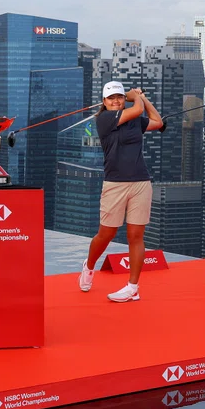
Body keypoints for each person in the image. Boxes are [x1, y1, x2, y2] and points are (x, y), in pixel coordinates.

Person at [78, 81, 163, 302]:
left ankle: (133, 287)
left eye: (119, 97)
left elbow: (158, 122)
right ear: (104, 102)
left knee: (136, 236)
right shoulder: (104, 119)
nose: (116, 101)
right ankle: (89, 266)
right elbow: (136, 109)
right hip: (115, 184)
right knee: (106, 233)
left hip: (140, 182)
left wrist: (142, 97)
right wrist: (135, 97)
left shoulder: (134, 119)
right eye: (111, 98)